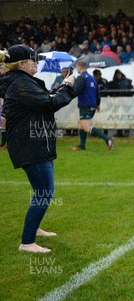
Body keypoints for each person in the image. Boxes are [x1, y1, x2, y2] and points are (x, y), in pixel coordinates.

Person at [0, 45, 84, 253]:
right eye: (33, 60)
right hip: (30, 146)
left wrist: (64, 86)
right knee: (45, 192)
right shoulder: (20, 83)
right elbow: (50, 103)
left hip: (35, 144)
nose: (36, 63)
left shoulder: (22, 81)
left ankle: (34, 229)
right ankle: (27, 242)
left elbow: (45, 101)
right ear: (21, 64)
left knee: (43, 191)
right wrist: (68, 86)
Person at [71, 60, 113, 151]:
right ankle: (82, 145)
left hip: (85, 105)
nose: (77, 69)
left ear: (80, 67)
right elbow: (97, 93)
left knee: (86, 126)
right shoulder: (92, 78)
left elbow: (75, 91)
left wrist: (68, 87)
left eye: (77, 67)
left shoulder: (81, 77)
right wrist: (97, 104)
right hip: (92, 105)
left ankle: (107, 139)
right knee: (80, 123)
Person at [108, 69, 134, 137]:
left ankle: (126, 132)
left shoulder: (127, 81)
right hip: (117, 102)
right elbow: (110, 92)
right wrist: (114, 96)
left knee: (126, 117)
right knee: (118, 117)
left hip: (125, 101)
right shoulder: (113, 82)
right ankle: (119, 132)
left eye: (119, 74)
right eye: (117, 75)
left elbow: (132, 91)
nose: (118, 76)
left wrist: (128, 97)